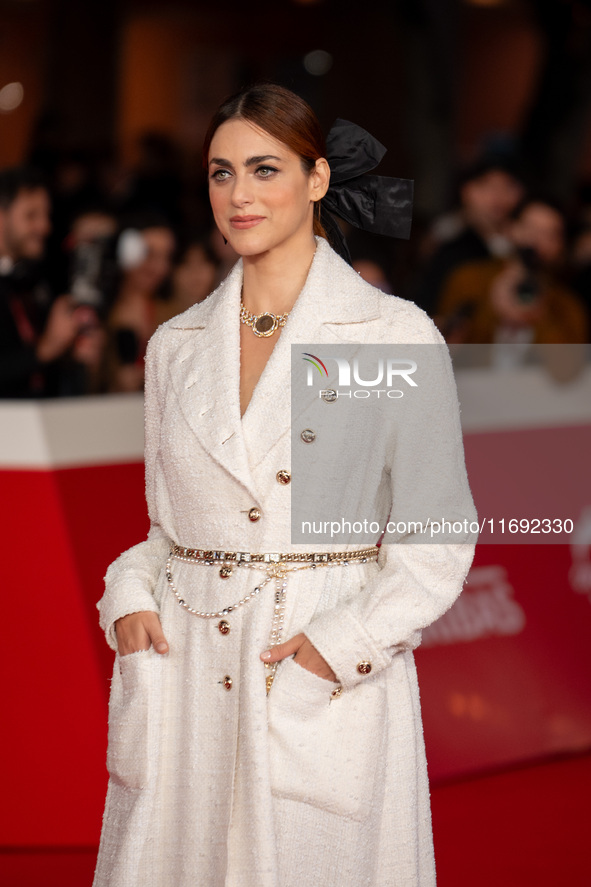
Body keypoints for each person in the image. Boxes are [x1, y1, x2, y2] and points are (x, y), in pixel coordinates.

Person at [93, 83, 476, 887]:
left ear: (316, 179)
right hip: (186, 670)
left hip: (312, 663)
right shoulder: (175, 344)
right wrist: (128, 590)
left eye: (264, 169)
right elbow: (167, 527)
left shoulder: (391, 332)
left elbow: (434, 539)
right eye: (220, 172)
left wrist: (335, 652)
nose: (238, 195)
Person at [437, 197, 588, 350]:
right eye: (530, 228)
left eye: (549, 234)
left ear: (560, 245)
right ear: (510, 228)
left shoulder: (568, 306)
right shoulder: (469, 278)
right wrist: (491, 307)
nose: (536, 241)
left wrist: (540, 316)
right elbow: (445, 348)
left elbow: (568, 369)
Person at [0, 166, 94, 397]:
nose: (44, 227)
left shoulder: (35, 281)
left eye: (46, 215)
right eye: (31, 215)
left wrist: (71, 352)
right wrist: (45, 349)